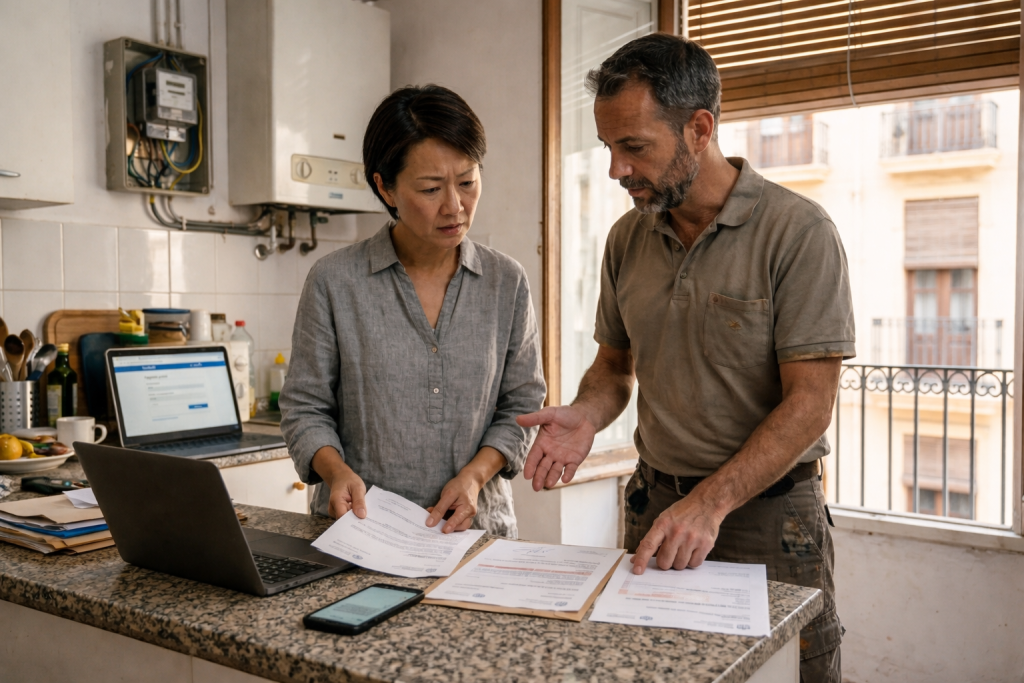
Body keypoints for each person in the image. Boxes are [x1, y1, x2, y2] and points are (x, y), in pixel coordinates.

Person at [517, 35, 852, 683]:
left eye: (634, 147)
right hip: (654, 507)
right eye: (609, 148)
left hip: (769, 519)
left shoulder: (799, 232)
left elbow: (810, 404)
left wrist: (711, 501)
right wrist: (588, 414)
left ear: (699, 129)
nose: (617, 169)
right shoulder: (626, 238)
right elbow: (614, 368)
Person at [281, 84, 545, 538]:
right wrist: (334, 471)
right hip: (360, 532)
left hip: (475, 535)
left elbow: (521, 405)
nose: (455, 206)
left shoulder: (507, 282)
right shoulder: (335, 281)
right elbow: (305, 408)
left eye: (467, 181)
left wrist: (475, 477)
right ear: (385, 187)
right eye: (430, 188)